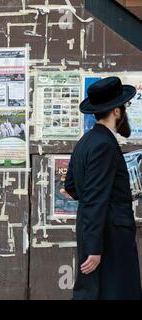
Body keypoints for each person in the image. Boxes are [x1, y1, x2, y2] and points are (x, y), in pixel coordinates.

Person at [65, 76, 142, 300]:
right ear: (117, 111)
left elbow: (71, 185)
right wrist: (94, 248)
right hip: (110, 239)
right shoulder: (104, 145)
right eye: (124, 107)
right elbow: (95, 198)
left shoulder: (86, 141)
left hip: (98, 233)